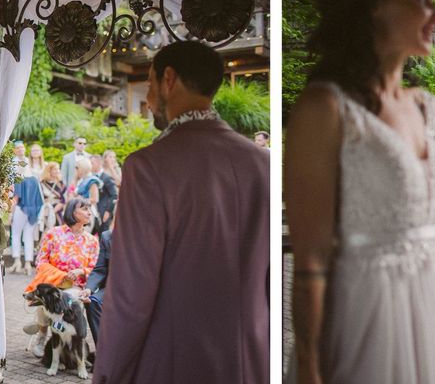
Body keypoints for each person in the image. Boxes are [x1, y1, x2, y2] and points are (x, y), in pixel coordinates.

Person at [286, 0, 435, 384]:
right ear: (373, 6)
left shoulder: (427, 106)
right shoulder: (324, 108)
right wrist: (308, 361)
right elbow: (310, 257)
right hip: (367, 307)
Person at [96, 40, 268, 384]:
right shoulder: (262, 163)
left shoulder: (148, 166)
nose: (146, 101)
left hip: (176, 360)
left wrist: (108, 372)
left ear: (168, 80)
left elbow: (131, 292)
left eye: (148, 86)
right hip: (253, 358)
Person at [30, 195, 99, 290]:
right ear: (72, 212)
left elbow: (95, 270)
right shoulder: (53, 234)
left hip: (78, 291)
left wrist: (81, 271)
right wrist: (60, 276)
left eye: (89, 210)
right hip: (52, 289)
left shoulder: (92, 241)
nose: (89, 213)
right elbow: (40, 262)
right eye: (85, 209)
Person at [9, 162, 45, 274]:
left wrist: (10, 214)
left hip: (20, 209)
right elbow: (40, 198)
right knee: (28, 237)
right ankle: (28, 264)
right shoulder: (34, 180)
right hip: (32, 210)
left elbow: (16, 198)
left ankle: (17, 261)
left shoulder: (18, 178)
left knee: (15, 235)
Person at [85, 210, 113, 340]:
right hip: (113, 287)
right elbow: (100, 269)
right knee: (92, 301)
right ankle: (103, 351)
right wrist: (88, 289)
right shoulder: (107, 236)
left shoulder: (147, 236)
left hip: (139, 288)